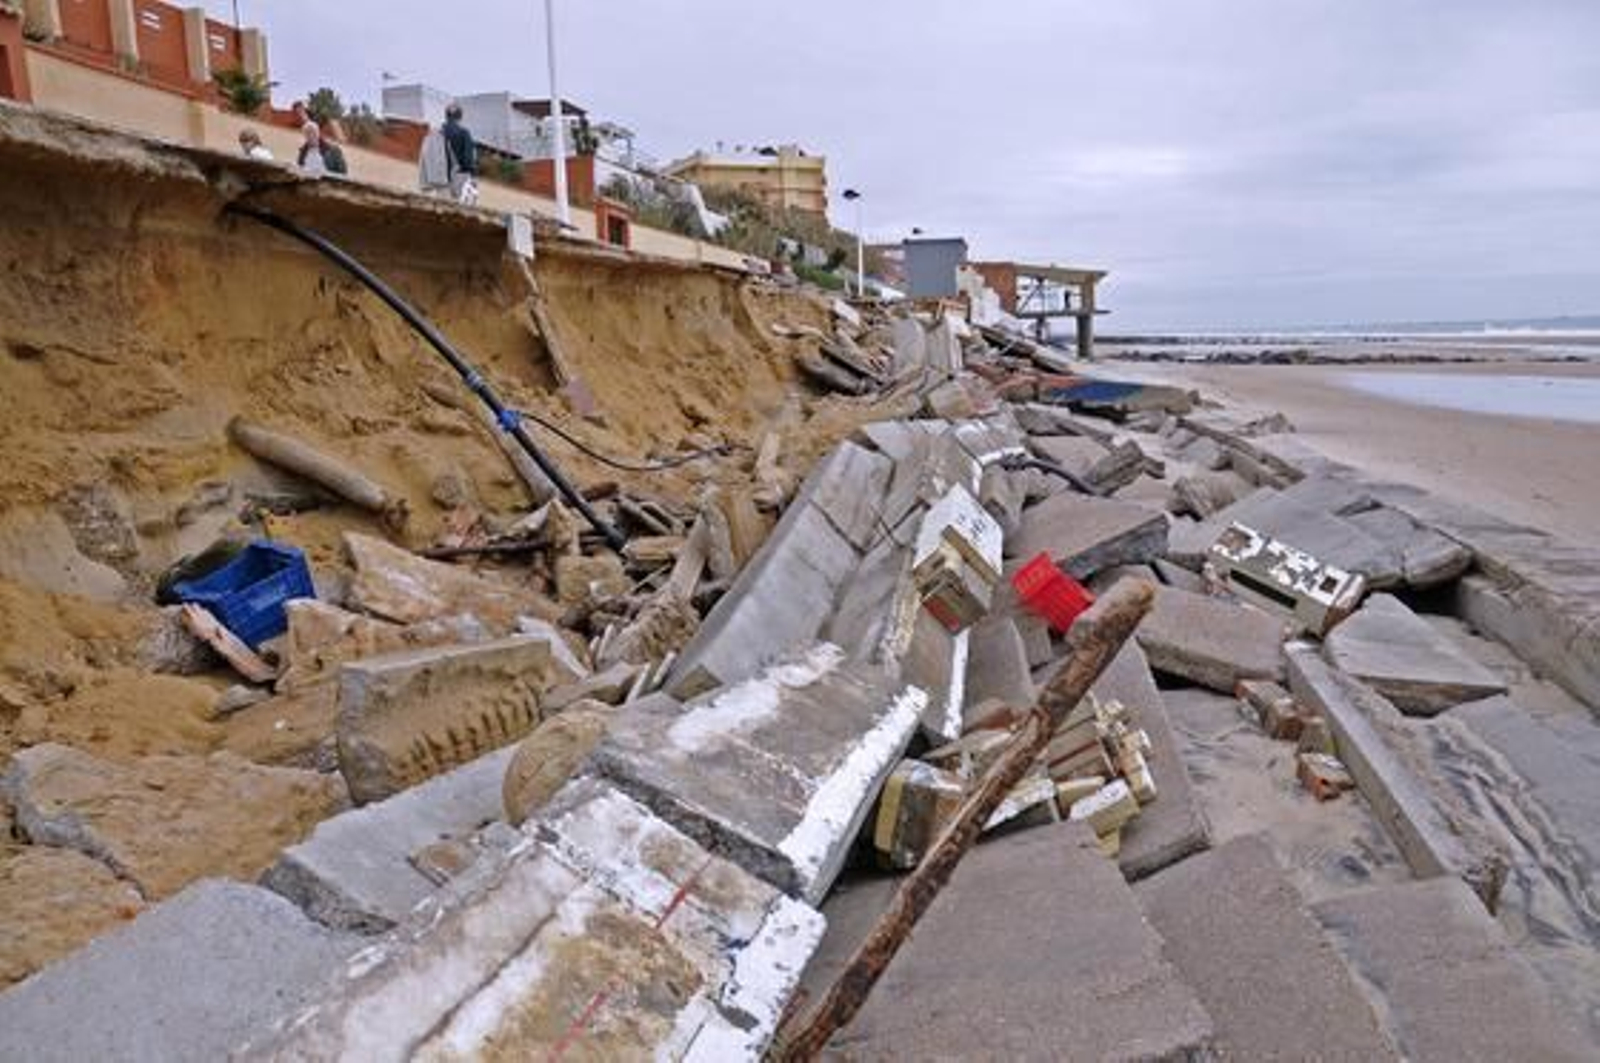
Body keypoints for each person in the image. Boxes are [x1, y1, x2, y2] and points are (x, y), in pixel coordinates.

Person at [441, 103, 479, 204]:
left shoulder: (437, 133)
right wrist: (473, 174)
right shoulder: (464, 133)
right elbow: (468, 160)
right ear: (460, 117)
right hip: (460, 178)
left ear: (446, 116)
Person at [417, 124, 451, 197]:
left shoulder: (428, 139)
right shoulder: (441, 140)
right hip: (440, 180)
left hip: (431, 180)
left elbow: (423, 159)